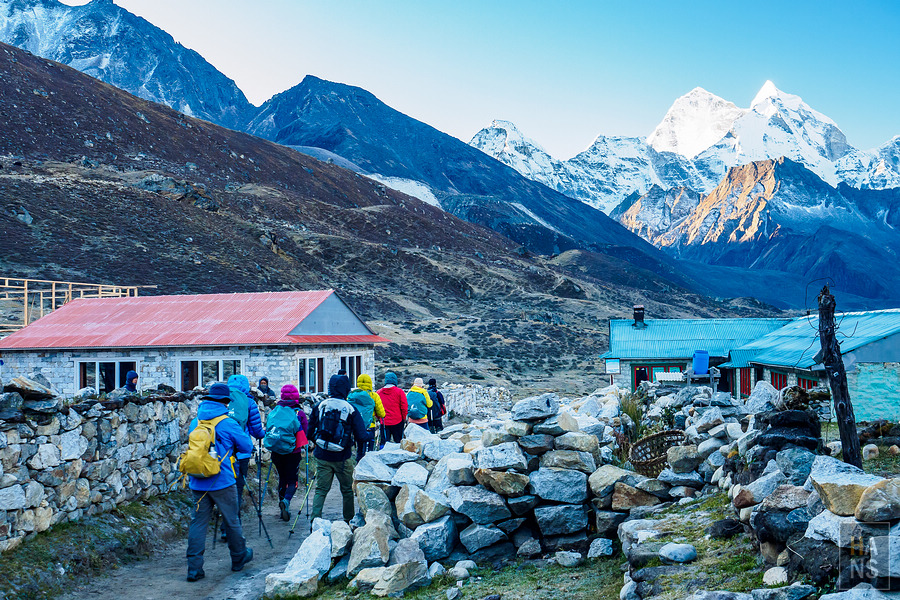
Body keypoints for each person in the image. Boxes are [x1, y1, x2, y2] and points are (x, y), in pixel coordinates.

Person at [185, 382, 254, 582]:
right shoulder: (227, 422)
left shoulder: (196, 421)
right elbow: (246, 446)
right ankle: (238, 558)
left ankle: (194, 569)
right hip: (222, 481)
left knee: (198, 523)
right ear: (225, 402)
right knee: (231, 520)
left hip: (198, 481)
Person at [307, 377, 372, 522]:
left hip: (322, 455)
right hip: (342, 457)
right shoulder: (350, 409)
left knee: (321, 490)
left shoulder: (320, 406)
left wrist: (319, 444)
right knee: (347, 490)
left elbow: (309, 432)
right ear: (346, 389)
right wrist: (370, 435)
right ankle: (349, 521)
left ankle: (315, 520)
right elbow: (361, 436)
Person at [225, 374, 265, 527]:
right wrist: (263, 434)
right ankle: (233, 524)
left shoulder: (223, 400)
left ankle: (224, 523)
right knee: (237, 486)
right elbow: (256, 431)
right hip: (241, 452)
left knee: (223, 486)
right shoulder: (249, 402)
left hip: (222, 452)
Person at [265, 384, 308, 521]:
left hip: (276, 452)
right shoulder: (299, 413)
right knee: (292, 480)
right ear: (296, 397)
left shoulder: (275, 411)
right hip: (293, 453)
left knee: (282, 478)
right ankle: (286, 501)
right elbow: (305, 434)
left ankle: (282, 506)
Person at [346, 374, 385, 460]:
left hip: (356, 426)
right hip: (369, 426)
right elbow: (381, 413)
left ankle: (358, 463)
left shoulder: (352, 395)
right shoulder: (373, 395)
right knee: (369, 450)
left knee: (359, 448)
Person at [376, 372, 407, 443]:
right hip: (397, 421)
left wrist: (379, 418)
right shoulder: (400, 392)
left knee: (384, 443)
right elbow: (404, 407)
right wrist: (404, 418)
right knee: (398, 442)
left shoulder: (378, 393)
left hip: (384, 422)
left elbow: (376, 407)